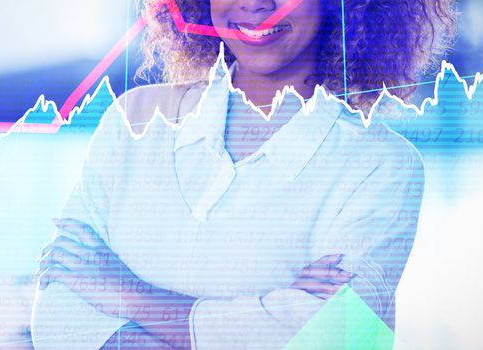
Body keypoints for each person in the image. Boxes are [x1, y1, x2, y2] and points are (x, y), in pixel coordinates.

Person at [32, 0, 454, 348]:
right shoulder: (135, 119)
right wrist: (259, 317)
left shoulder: (381, 165)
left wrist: (127, 295)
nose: (255, 4)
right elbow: (56, 309)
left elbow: (323, 339)